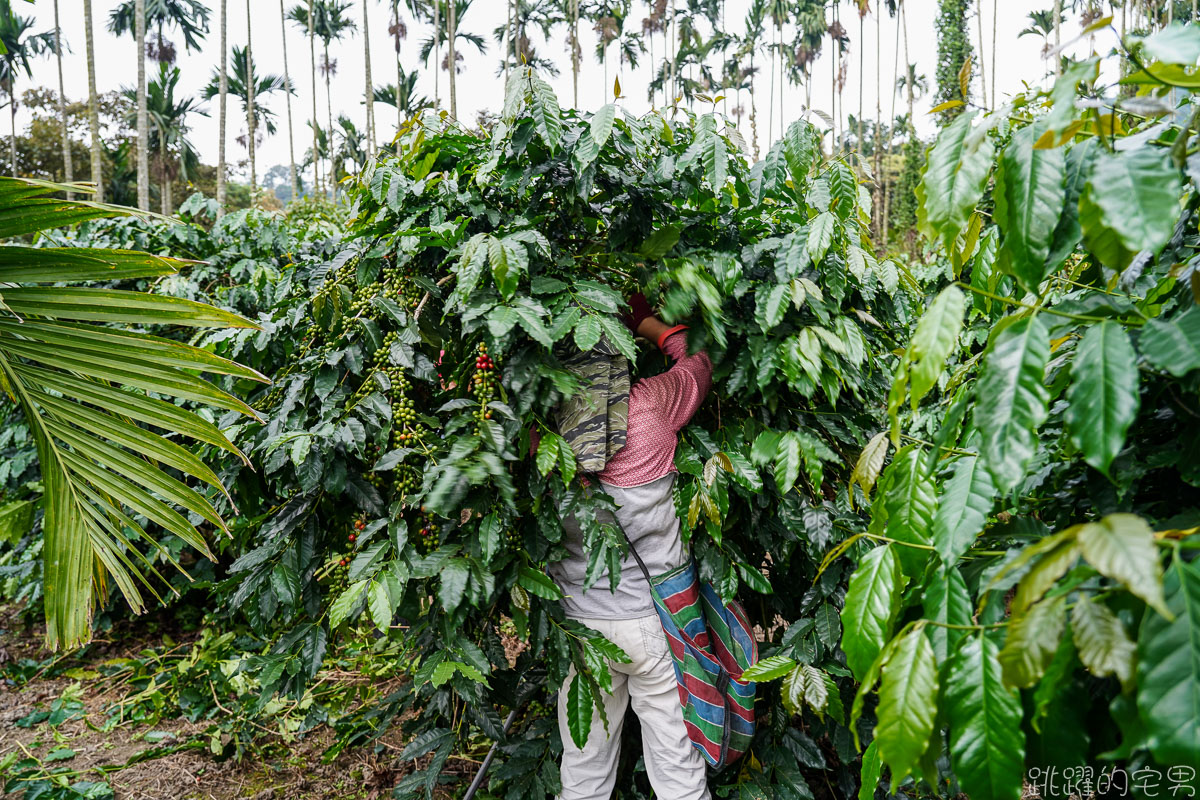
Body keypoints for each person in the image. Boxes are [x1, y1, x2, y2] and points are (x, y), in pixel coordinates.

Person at [548, 294, 713, 800]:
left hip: (578, 622)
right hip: (654, 621)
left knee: (584, 767)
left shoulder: (542, 429)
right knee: (678, 769)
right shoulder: (649, 405)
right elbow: (699, 364)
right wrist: (647, 323)